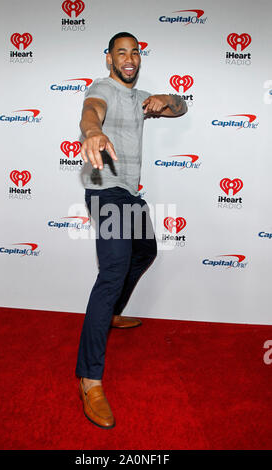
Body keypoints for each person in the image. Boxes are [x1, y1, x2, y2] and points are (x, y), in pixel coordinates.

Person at [76, 32, 187, 429]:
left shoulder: (141, 99)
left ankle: (113, 313)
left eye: (135, 52)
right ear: (108, 59)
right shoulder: (101, 87)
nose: (129, 58)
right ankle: (89, 379)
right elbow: (92, 111)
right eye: (121, 52)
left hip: (128, 194)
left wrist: (166, 101)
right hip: (106, 194)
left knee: (146, 252)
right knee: (113, 271)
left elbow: (182, 107)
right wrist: (93, 132)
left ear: (139, 59)